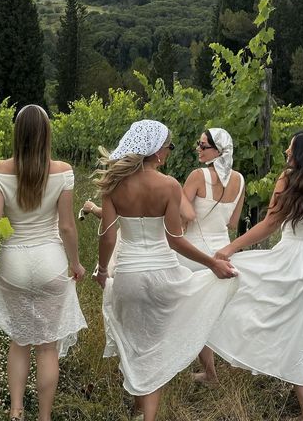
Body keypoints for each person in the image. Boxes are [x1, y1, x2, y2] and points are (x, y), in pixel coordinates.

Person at [207, 129, 303, 421]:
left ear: (302, 154)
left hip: (294, 259)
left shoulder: (289, 179)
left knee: (287, 323)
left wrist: (231, 248)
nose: (287, 154)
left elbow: (270, 225)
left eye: (290, 149)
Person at [92, 119, 238, 421]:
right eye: (169, 147)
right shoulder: (169, 185)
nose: (170, 152)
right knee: (155, 348)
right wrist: (212, 263)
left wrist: (103, 270)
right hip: (164, 274)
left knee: (134, 343)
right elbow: (175, 240)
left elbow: (107, 236)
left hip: (129, 275)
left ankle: (139, 408)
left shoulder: (114, 184)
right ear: (157, 151)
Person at [0, 105, 87, 421]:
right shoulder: (63, 171)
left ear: (17, 133)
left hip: (13, 263)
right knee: (48, 347)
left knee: (20, 342)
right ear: (47, 134)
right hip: (50, 261)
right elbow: (66, 226)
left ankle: (16, 410)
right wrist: (75, 263)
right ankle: (45, 416)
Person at [178, 127, 245, 385]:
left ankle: (205, 371)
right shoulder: (239, 180)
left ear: (218, 150)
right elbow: (234, 222)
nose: (198, 148)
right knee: (212, 314)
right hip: (224, 253)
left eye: (203, 145)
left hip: (194, 253)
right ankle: (211, 371)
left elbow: (182, 216)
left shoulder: (197, 176)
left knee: (193, 315)